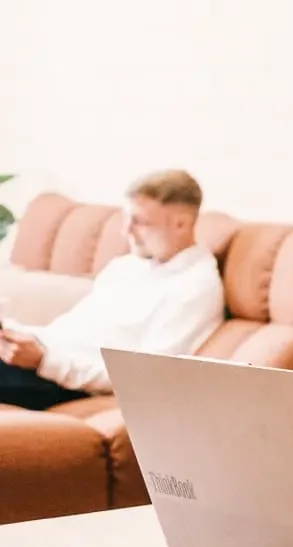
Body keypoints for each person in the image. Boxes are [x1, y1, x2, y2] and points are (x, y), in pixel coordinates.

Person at [0, 170, 225, 411]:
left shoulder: (194, 287)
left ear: (181, 224)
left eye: (140, 222)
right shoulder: (126, 266)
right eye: (127, 219)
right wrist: (15, 333)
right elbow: (71, 332)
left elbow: (147, 376)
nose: (126, 231)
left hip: (64, 381)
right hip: (43, 356)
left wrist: (45, 360)